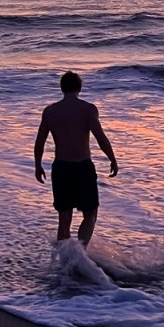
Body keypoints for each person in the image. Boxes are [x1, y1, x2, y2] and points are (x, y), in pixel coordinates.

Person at [33, 71, 118, 247]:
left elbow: (40, 141)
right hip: (82, 168)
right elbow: (100, 137)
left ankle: (65, 262)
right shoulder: (88, 109)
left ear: (61, 88)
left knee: (64, 218)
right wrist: (112, 158)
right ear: (80, 87)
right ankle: (80, 253)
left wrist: (38, 165)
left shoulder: (50, 111)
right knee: (90, 213)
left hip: (61, 169)